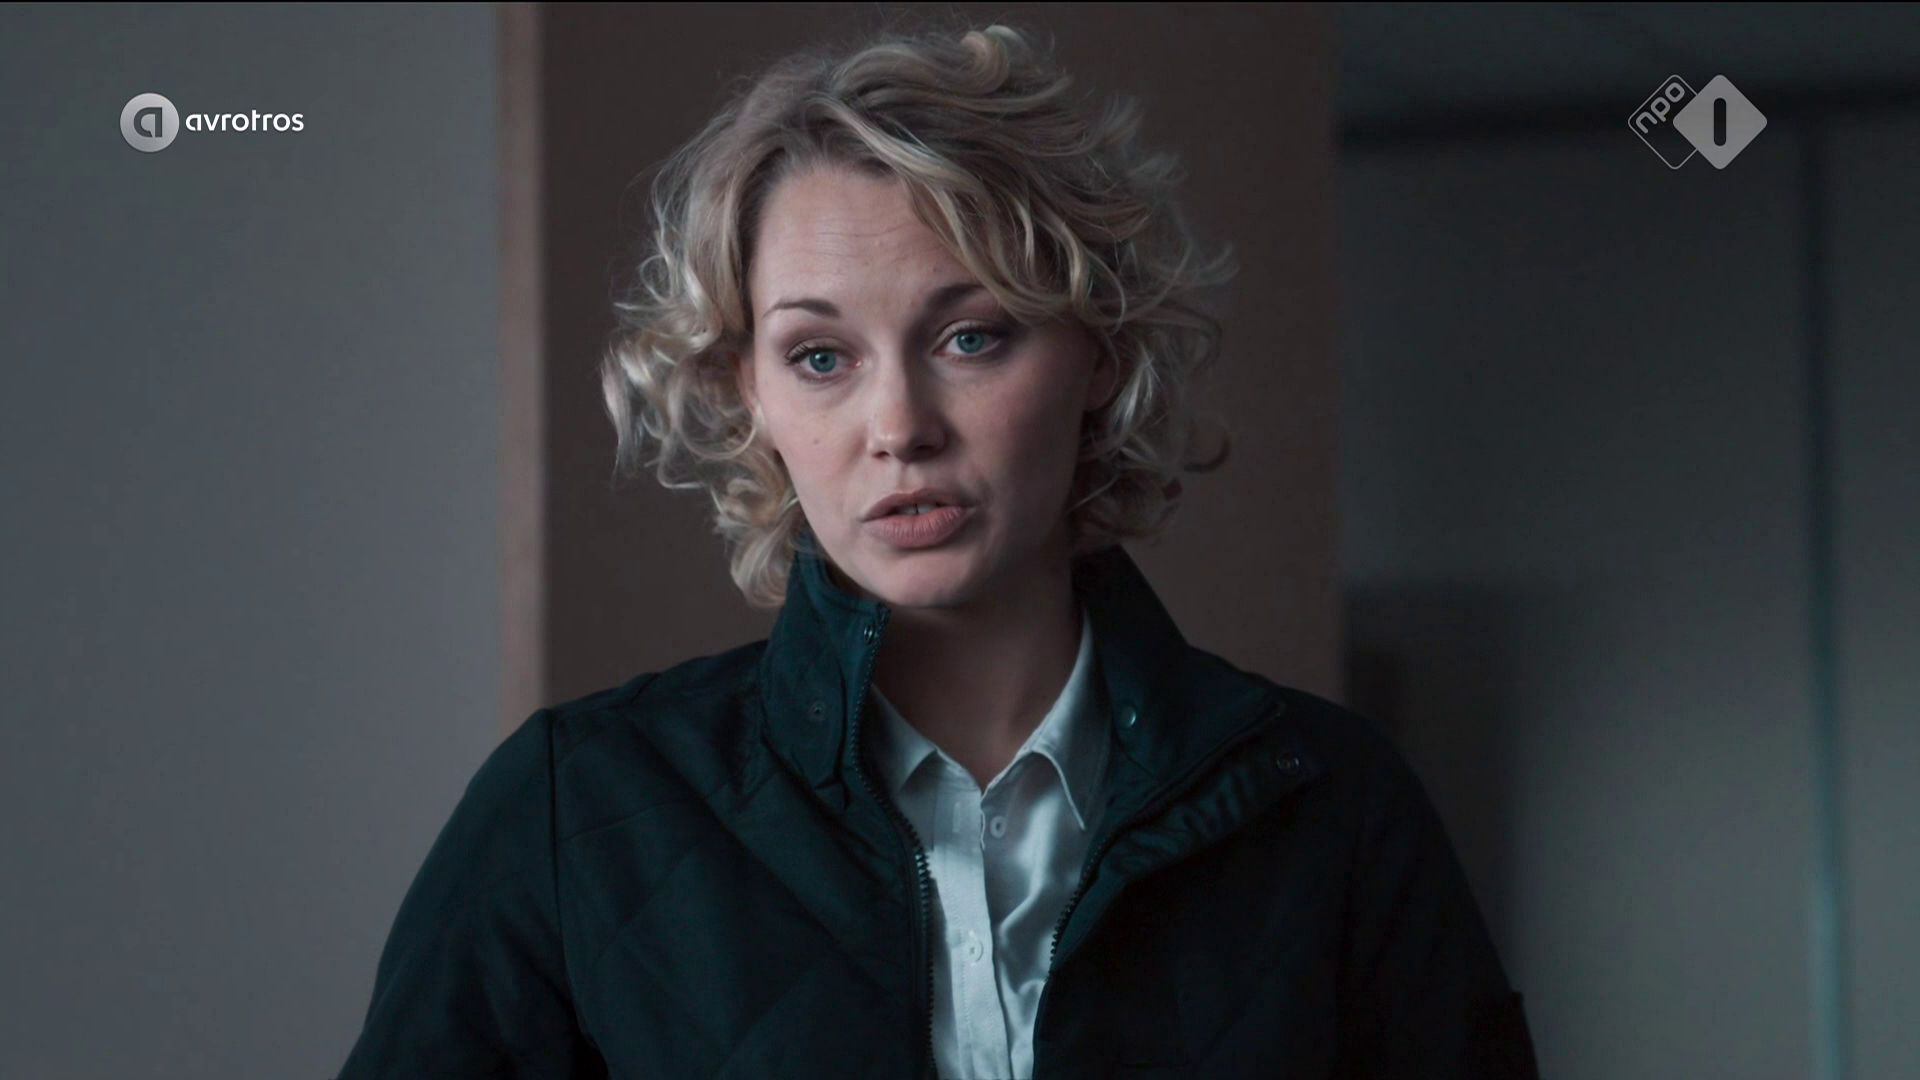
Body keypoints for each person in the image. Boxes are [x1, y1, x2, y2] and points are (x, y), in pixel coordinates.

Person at [336, 23, 1539, 1080]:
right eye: (821, 357)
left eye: (971, 337)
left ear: (1097, 353)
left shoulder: (1332, 805)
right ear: (750, 392)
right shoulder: (574, 811)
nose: (899, 426)